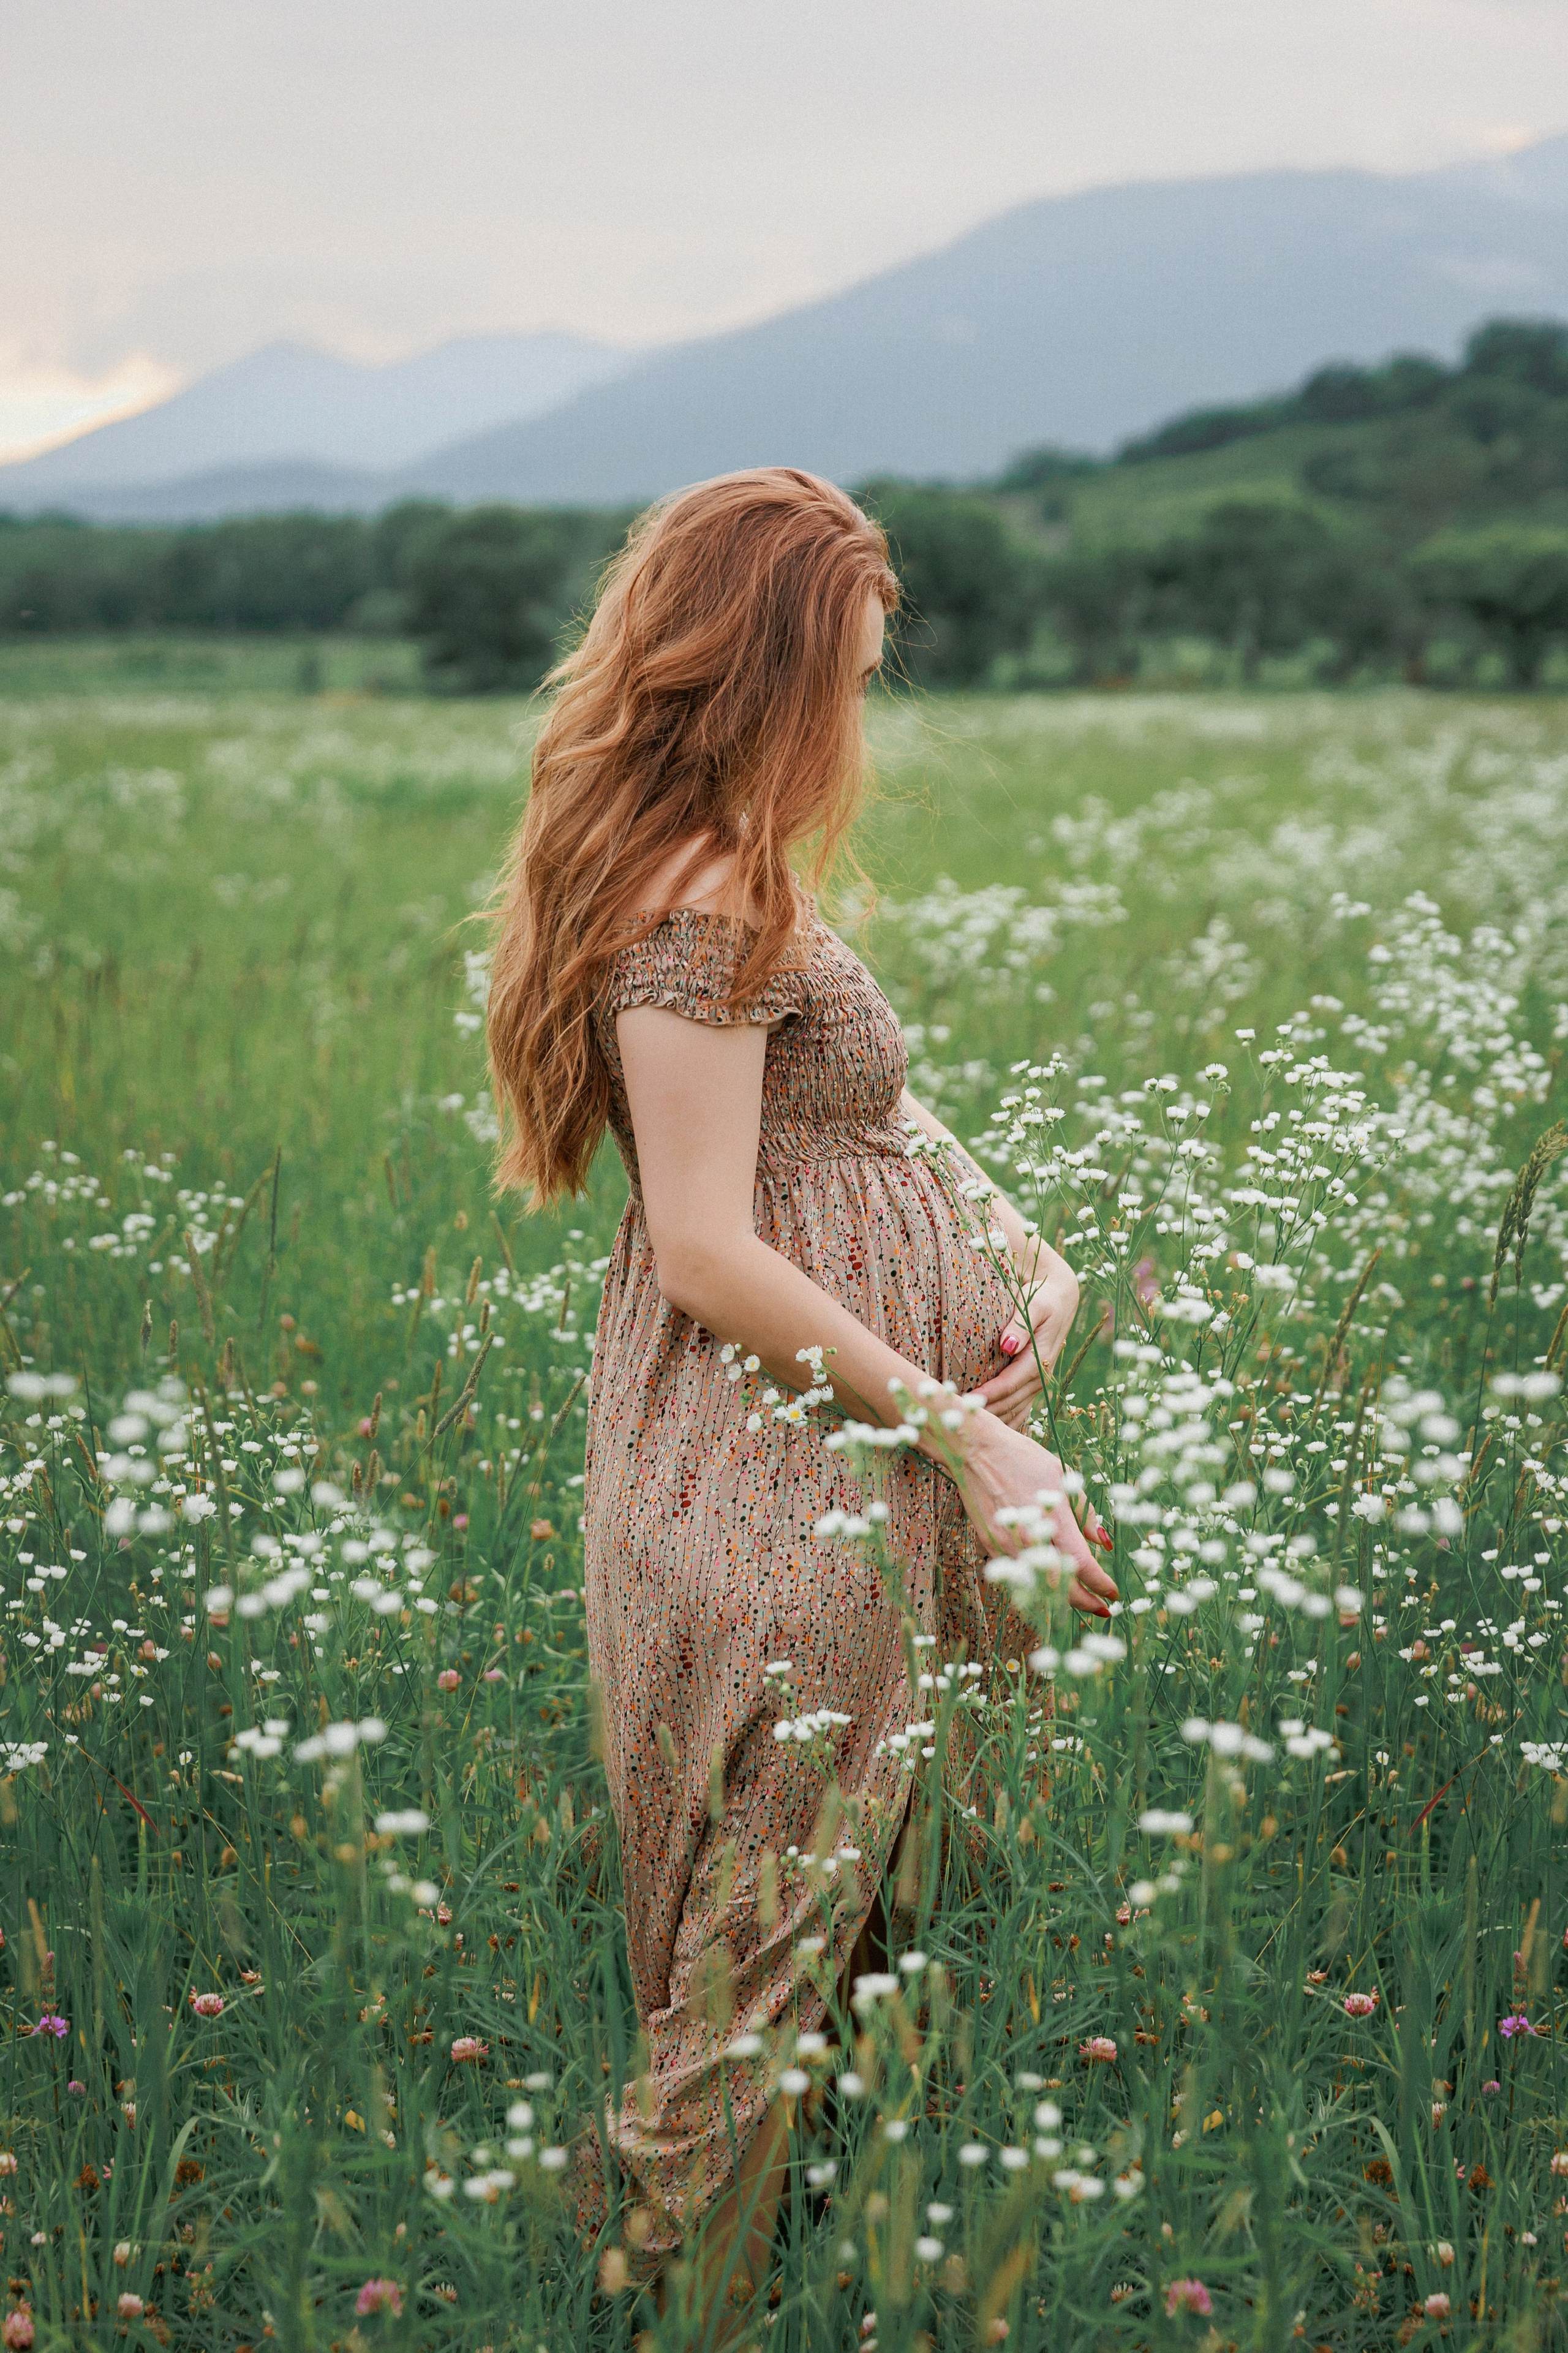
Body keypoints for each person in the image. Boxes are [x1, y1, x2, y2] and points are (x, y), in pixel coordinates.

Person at [486, 467, 1116, 2336]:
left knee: (838, 1936)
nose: (860, 714)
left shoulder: (738, 870)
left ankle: (749, 2283)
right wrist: (976, 1427)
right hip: (770, 1486)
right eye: (843, 671)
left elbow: (871, 1119)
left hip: (839, 1462)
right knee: (757, 1967)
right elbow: (699, 1244)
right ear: (769, 668)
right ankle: (664, 2305)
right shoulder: (686, 901)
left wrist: (1022, 1253)